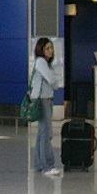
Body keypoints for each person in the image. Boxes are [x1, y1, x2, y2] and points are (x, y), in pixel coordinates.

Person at [30, 37, 63, 177]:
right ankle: (47, 166)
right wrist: (55, 83)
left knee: (41, 133)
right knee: (46, 134)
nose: (50, 51)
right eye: (47, 48)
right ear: (41, 50)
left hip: (45, 99)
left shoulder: (45, 63)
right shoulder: (41, 62)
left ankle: (39, 164)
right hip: (43, 100)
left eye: (51, 48)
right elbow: (52, 81)